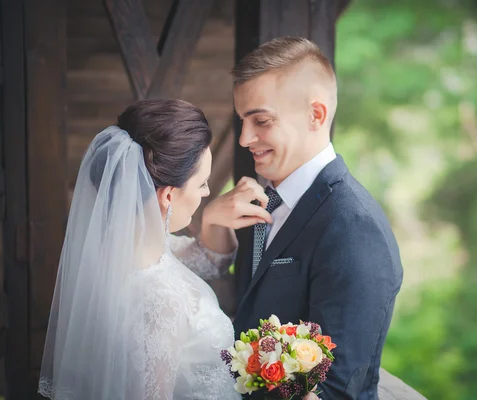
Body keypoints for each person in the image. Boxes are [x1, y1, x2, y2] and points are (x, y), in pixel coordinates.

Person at [38, 99, 319, 400]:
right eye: (202, 184)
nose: (208, 192)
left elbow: (210, 263)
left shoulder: (125, 250)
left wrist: (211, 217)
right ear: (169, 196)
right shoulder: (161, 300)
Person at [232, 37, 403, 399]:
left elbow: (335, 387)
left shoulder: (353, 227)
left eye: (261, 120)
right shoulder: (264, 201)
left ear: (316, 114)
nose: (246, 138)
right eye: (243, 122)